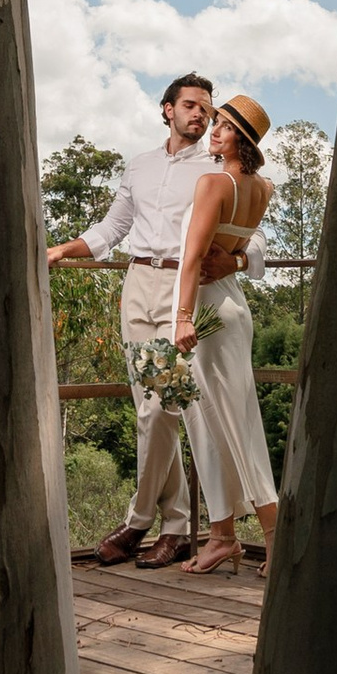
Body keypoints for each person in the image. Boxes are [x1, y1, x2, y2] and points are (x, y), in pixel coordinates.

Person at [46, 72, 214, 566]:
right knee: (150, 408)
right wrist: (62, 249)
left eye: (206, 107)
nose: (199, 114)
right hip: (137, 287)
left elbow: (244, 229)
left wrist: (243, 260)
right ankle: (178, 526)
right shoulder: (139, 166)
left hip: (183, 291)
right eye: (189, 105)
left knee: (163, 407)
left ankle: (139, 520)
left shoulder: (215, 168)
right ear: (167, 110)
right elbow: (113, 227)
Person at [171, 92, 277, 578]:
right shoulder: (264, 188)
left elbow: (192, 259)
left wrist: (182, 318)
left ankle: (278, 538)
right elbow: (245, 247)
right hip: (234, 304)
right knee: (210, 421)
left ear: (243, 140)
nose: (213, 131)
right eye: (214, 123)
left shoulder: (213, 183)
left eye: (224, 126)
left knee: (237, 423)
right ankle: (222, 538)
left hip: (210, 312)